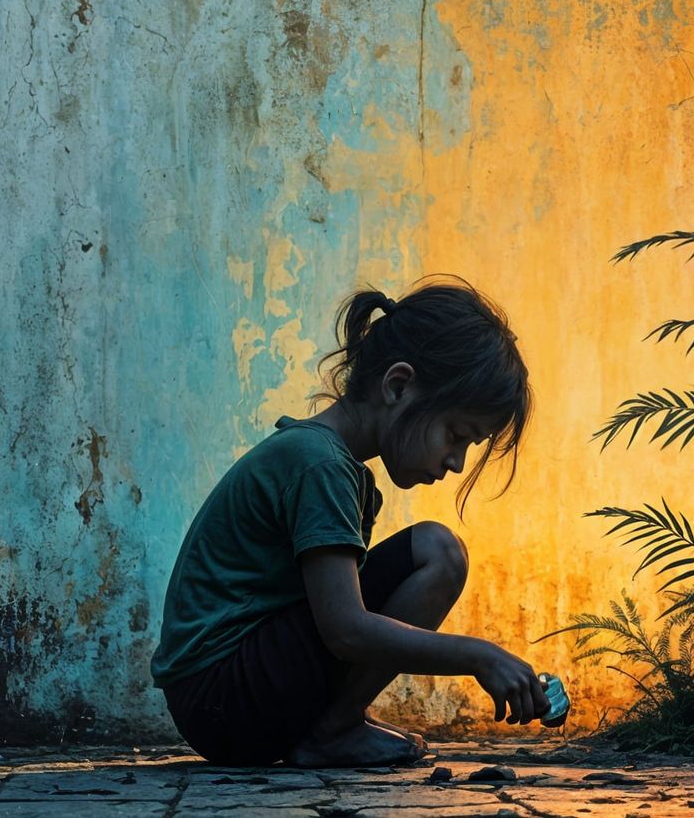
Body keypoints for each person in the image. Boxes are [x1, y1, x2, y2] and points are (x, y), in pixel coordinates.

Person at [150, 277, 551, 767]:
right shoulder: (319, 465)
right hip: (223, 698)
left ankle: (334, 726)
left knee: (431, 549)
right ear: (397, 385)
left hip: (221, 695)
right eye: (456, 434)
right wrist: (478, 656)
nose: (456, 462)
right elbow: (345, 630)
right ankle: (333, 730)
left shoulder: (334, 467)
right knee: (436, 551)